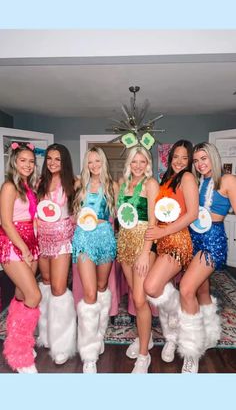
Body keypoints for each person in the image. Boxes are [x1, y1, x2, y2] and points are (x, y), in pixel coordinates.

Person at [177, 142, 236, 373]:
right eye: (197, 160)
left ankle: (192, 351)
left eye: (204, 158)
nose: (201, 164)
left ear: (214, 158)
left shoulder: (228, 180)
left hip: (212, 239)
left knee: (186, 288)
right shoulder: (198, 181)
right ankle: (211, 333)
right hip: (195, 237)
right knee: (201, 289)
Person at [144, 140, 199, 366]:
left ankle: (178, 324)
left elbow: (192, 214)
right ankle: (171, 337)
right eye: (176, 156)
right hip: (162, 241)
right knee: (160, 287)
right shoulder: (166, 179)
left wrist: (163, 230)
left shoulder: (187, 178)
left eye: (184, 158)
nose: (178, 161)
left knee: (151, 287)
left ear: (189, 161)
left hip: (177, 241)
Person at [72, 146, 117, 373]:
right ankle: (89, 354)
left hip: (105, 238)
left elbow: (121, 216)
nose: (94, 166)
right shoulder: (79, 184)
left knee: (101, 288)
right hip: (83, 239)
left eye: (97, 161)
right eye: (90, 162)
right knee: (89, 294)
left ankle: (99, 334)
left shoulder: (112, 186)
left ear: (103, 162)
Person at [116, 146, 159, 373]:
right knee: (135, 296)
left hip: (144, 245)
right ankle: (147, 337)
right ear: (129, 163)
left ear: (147, 163)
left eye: (143, 161)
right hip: (125, 243)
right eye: (135, 161)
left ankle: (144, 356)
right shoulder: (123, 184)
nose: (138, 166)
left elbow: (153, 221)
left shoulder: (150, 184)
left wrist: (145, 252)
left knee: (141, 300)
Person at [0, 142, 41, 373]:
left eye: (31, 161)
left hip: (30, 242)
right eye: (23, 160)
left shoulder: (28, 187)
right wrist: (24, 249)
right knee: (34, 295)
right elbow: (6, 222)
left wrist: (35, 244)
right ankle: (19, 355)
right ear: (14, 161)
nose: (27, 165)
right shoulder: (9, 187)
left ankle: (17, 339)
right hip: (13, 244)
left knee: (21, 294)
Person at [37, 143, 76, 365]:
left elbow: (81, 210)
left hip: (62, 242)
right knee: (46, 283)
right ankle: (47, 333)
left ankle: (63, 343)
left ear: (64, 162)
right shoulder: (40, 183)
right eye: (49, 159)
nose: (52, 163)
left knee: (59, 289)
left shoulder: (74, 182)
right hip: (43, 241)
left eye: (57, 159)